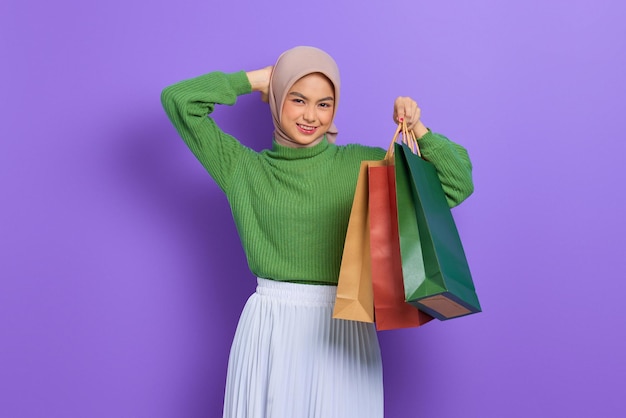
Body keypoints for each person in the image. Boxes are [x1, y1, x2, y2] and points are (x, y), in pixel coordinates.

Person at [161, 46, 473, 418]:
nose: (311, 116)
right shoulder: (241, 169)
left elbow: (456, 183)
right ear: (278, 99)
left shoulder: (362, 164)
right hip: (269, 327)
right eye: (297, 99)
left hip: (344, 325)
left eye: (324, 104)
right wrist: (256, 79)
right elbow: (179, 101)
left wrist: (418, 129)